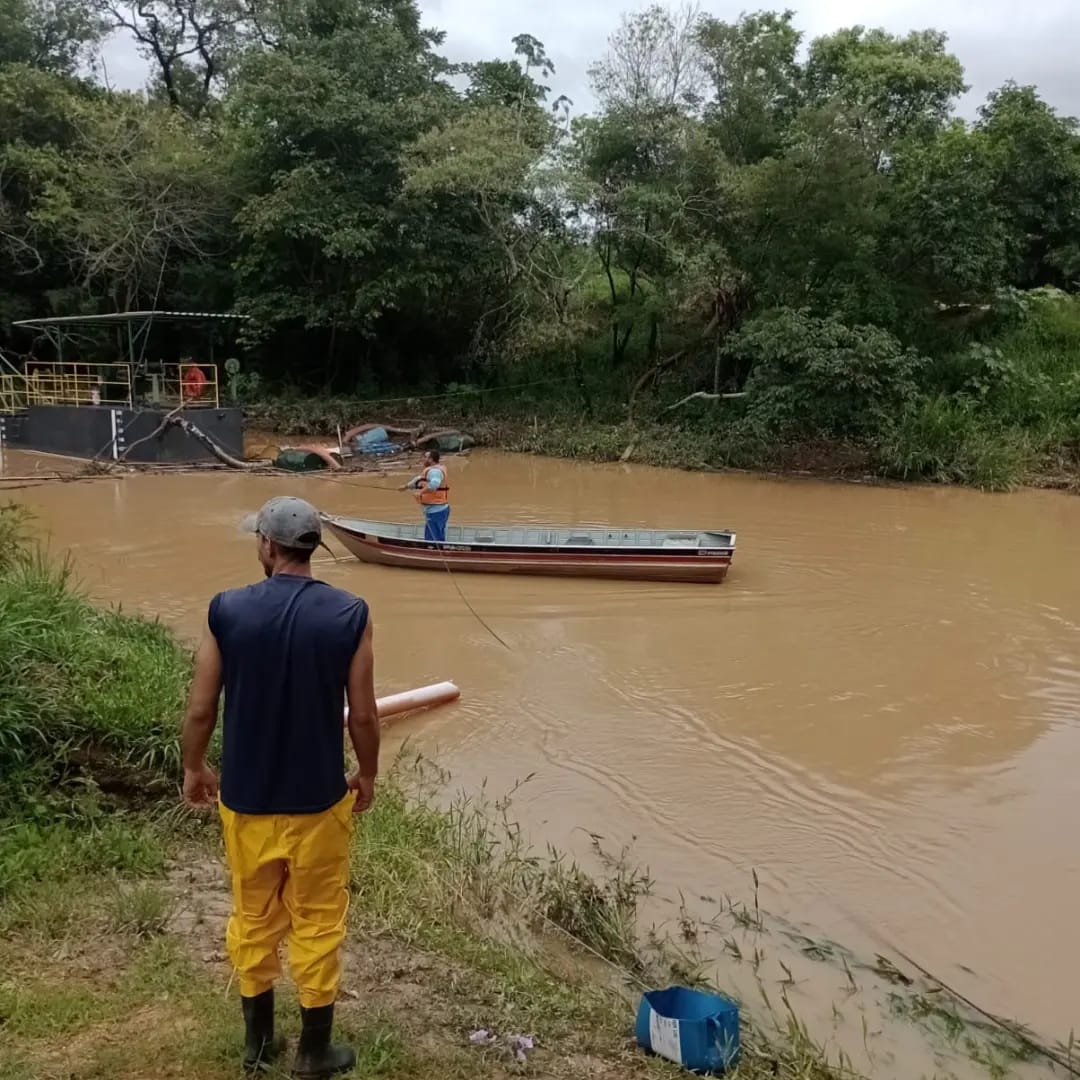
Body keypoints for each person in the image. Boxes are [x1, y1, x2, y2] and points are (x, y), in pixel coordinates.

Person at [180, 496, 379, 1078]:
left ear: (267, 545)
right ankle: (314, 1052)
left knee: (253, 916)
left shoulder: (228, 611)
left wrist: (194, 767)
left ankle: (258, 1045)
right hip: (318, 803)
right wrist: (366, 774)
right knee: (317, 920)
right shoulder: (350, 614)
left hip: (245, 802)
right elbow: (362, 716)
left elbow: (200, 708)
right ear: (311, 546)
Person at [401, 448, 450, 542]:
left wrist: (420, 493)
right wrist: (406, 487)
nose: (423, 459)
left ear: (431, 459)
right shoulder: (432, 470)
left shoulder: (434, 472)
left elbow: (434, 484)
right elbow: (419, 480)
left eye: (425, 457)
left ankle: (435, 553)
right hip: (437, 509)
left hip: (436, 510)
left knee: (432, 540)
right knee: (436, 536)